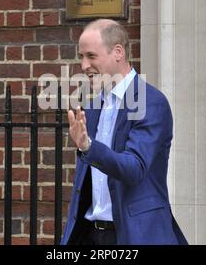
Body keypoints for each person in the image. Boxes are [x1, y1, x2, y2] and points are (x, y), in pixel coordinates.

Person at [61, 19, 187, 245]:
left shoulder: (150, 102)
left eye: (91, 56)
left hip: (134, 235)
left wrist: (89, 147)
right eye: (81, 56)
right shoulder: (92, 107)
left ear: (118, 52)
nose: (83, 65)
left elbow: (134, 168)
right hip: (89, 234)